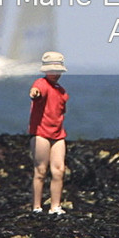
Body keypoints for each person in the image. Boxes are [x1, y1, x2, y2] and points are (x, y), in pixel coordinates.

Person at [28, 51, 69, 214]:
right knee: (41, 170)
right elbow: (36, 91)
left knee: (58, 170)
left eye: (57, 70)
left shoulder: (61, 91)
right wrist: (34, 93)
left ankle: (55, 206)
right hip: (40, 133)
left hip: (58, 134)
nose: (55, 74)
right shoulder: (41, 83)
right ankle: (37, 207)